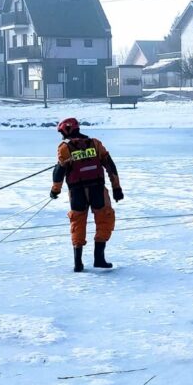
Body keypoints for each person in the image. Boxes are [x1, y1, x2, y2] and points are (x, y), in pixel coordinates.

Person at [50, 117, 124, 272]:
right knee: (105, 219)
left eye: (62, 132)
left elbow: (59, 172)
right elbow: (110, 166)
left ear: (67, 129)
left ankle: (78, 262)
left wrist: (55, 190)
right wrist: (117, 187)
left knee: (77, 222)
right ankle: (99, 258)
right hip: (97, 188)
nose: (61, 135)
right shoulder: (95, 144)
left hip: (77, 192)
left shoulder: (64, 148)